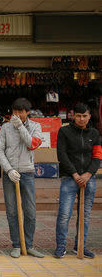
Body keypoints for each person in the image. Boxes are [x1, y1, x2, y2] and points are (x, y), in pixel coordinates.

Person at [0, 98, 44, 258]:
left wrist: (21, 127)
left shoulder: (35, 126)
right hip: (10, 174)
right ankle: (17, 244)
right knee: (12, 211)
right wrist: (8, 170)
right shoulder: (5, 128)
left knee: (30, 211)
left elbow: (32, 144)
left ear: (27, 112)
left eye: (20, 112)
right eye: (14, 112)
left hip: (27, 172)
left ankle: (28, 244)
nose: (17, 115)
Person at [54, 103, 101, 259]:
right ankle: (61, 246)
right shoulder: (64, 131)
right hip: (69, 178)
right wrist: (75, 174)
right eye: (78, 116)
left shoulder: (94, 134)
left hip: (89, 179)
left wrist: (88, 174)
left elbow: (97, 157)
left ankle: (80, 245)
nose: (81, 119)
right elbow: (62, 155)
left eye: (85, 116)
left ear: (89, 116)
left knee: (85, 215)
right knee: (64, 214)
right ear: (73, 116)